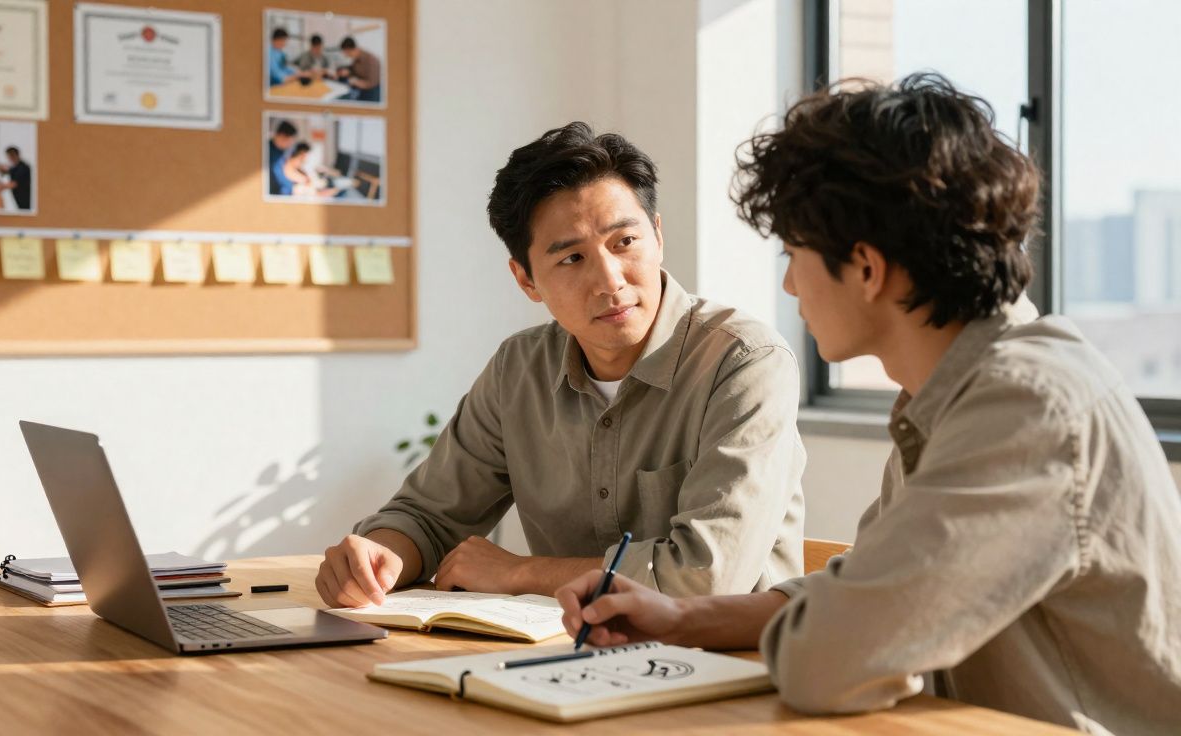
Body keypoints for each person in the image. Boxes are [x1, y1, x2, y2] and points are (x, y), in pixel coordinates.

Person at [554, 73, 1181, 736]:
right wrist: (683, 620)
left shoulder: (1024, 407)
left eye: (794, 255)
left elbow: (830, 659)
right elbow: (861, 591)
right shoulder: (958, 391)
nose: (791, 284)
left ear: (866, 268)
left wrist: (809, 626)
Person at [316, 122, 805, 608]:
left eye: (624, 242)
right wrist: (380, 555)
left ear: (657, 234)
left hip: (722, 665)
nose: (609, 280)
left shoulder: (745, 361)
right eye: (571, 258)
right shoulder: (519, 370)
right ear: (526, 280)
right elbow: (427, 517)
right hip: (561, 660)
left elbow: (706, 573)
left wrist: (521, 572)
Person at [336, 36, 381, 103]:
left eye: (347, 53)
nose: (346, 56)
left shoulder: (371, 60)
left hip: (371, 92)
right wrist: (348, 72)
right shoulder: (356, 58)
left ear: (352, 49)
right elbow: (354, 69)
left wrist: (355, 82)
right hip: (360, 87)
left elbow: (371, 83)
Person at [267, 120, 297, 196]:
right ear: (282, 136)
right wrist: (291, 189)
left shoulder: (280, 151)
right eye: (289, 141)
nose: (289, 145)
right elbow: (278, 176)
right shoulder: (269, 152)